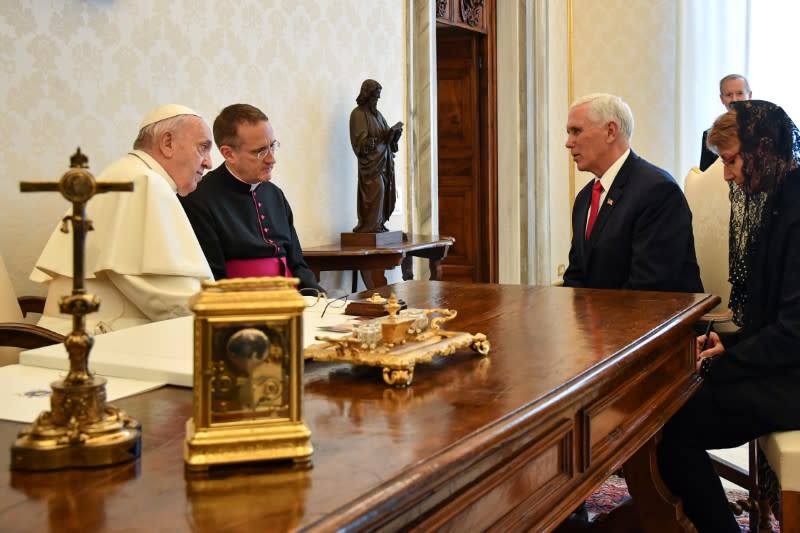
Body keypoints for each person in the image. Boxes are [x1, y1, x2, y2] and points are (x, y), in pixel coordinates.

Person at [657, 100, 800, 532]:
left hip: (794, 378)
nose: (727, 174)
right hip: (786, 365)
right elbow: (776, 320)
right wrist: (731, 344)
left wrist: (725, 362)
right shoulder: (780, 199)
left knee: (675, 427)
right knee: (674, 413)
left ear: (764, 148)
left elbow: (794, 331)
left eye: (732, 160)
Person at [32, 104, 214, 335]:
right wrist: (221, 320)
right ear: (167, 143)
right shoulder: (143, 181)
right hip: (95, 343)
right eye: (203, 148)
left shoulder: (126, 173)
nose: (209, 163)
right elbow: (164, 296)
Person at [562, 93, 703, 292]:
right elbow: (576, 276)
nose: (568, 142)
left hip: (654, 319)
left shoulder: (658, 191)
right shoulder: (585, 198)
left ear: (610, 132)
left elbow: (650, 286)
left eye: (576, 131)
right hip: (597, 320)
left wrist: (593, 320)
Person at [179, 103, 324, 293]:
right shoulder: (198, 198)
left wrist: (320, 298)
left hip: (294, 300)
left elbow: (297, 263)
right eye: (260, 151)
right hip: (244, 305)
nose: (272, 159)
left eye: (273, 146)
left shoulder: (275, 195)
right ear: (228, 154)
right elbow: (213, 277)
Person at [349, 79, 403, 233]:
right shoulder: (358, 114)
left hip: (384, 162)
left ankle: (379, 223)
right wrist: (369, 144)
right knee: (377, 188)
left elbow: (386, 136)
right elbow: (359, 142)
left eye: (378, 98)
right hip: (371, 166)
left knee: (385, 190)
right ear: (366, 95)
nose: (376, 101)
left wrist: (394, 135)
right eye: (374, 97)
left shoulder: (378, 115)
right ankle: (370, 226)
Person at [699, 74, 752, 171]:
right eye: (729, 95)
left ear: (750, 95)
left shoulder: (765, 130)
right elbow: (705, 176)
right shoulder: (710, 135)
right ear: (722, 98)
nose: (734, 99)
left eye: (740, 93)